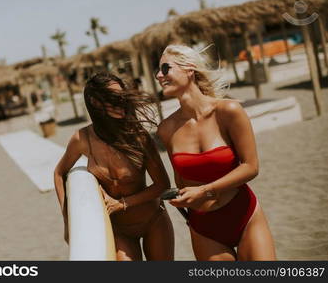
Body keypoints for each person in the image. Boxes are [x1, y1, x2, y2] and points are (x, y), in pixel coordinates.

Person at [156, 44, 276, 261]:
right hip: (204, 228)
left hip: (244, 214)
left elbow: (251, 167)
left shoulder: (228, 111)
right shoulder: (166, 129)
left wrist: (205, 191)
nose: (159, 75)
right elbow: (182, 179)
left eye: (165, 68)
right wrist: (183, 199)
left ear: (189, 69)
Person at [54, 72, 174, 261]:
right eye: (114, 98)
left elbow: (162, 184)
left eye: (122, 97)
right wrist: (68, 220)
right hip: (119, 230)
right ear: (95, 102)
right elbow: (59, 173)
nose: (121, 102)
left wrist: (121, 204)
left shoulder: (138, 137)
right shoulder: (82, 139)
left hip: (153, 221)